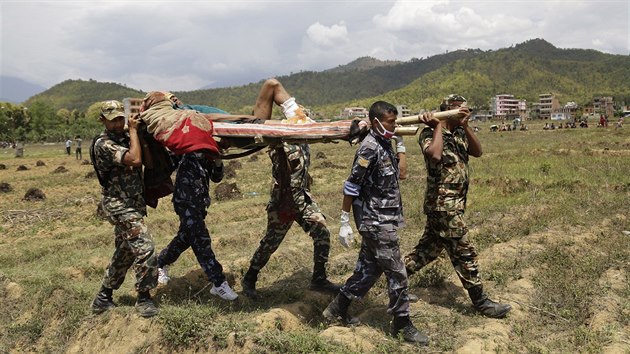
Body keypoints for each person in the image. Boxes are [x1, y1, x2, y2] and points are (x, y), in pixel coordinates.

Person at [323, 101, 428, 344]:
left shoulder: (385, 144)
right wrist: (344, 220)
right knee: (397, 272)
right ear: (376, 122)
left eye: (395, 121)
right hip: (375, 221)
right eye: (391, 122)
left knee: (368, 271)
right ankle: (402, 325)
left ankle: (336, 308)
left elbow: (402, 174)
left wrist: (400, 144)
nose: (395, 125)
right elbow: (351, 186)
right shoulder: (368, 148)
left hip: (385, 219)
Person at [403, 94, 511, 319]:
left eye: (466, 108)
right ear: (447, 110)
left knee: (427, 251)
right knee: (465, 252)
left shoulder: (461, 132)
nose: (464, 111)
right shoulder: (428, 133)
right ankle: (481, 301)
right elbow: (434, 155)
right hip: (444, 205)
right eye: (458, 109)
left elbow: (477, 151)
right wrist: (437, 127)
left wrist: (465, 125)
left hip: (454, 204)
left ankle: (396, 280)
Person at [156, 95, 238, 301]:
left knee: (186, 237)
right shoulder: (185, 146)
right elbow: (168, 163)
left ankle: (159, 262)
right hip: (185, 200)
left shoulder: (209, 153)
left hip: (200, 202)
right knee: (201, 239)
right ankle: (218, 282)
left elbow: (217, 178)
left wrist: (218, 160)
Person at [90, 100, 159, 318]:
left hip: (133, 203)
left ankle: (103, 297)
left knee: (125, 252)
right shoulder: (104, 144)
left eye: (121, 118)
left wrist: (140, 136)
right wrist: (132, 131)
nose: (118, 124)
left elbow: (148, 162)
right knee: (145, 247)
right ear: (103, 120)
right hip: (118, 204)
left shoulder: (127, 138)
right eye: (113, 121)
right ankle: (144, 297)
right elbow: (135, 159)